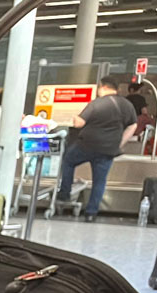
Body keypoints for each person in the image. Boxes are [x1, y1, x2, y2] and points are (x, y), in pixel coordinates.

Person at [58, 74, 138, 222]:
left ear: (104, 87)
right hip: (108, 150)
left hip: (87, 145)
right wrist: (120, 143)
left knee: (68, 161)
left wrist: (74, 117)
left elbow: (79, 123)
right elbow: (133, 125)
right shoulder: (127, 105)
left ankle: (64, 194)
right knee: (100, 181)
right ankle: (91, 213)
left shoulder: (97, 103)